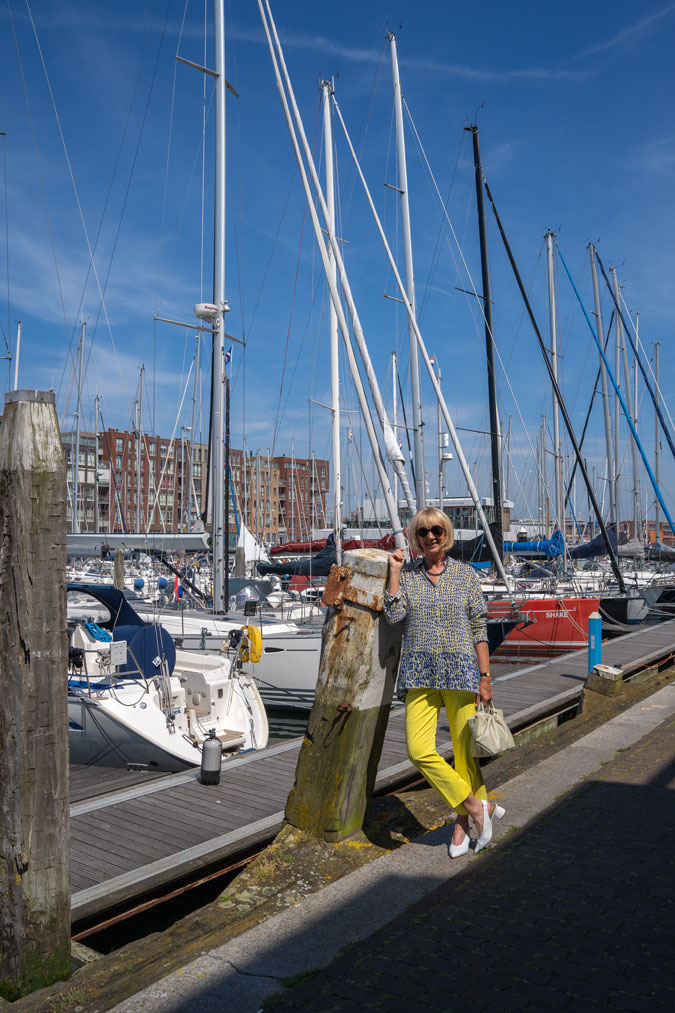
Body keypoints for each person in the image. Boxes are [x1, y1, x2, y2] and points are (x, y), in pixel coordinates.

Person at [384, 507, 505, 856]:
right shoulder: (405, 575)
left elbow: (480, 630)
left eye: (436, 530)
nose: (431, 536)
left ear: (446, 533)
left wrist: (485, 677)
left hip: (461, 673)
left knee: (465, 757)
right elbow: (394, 616)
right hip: (419, 674)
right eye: (423, 532)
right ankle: (476, 807)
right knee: (419, 750)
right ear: (415, 539)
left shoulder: (466, 576)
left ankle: (462, 824)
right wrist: (393, 572)